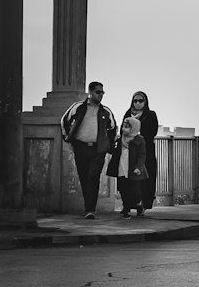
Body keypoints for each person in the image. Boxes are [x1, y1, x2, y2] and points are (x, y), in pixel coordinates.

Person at [61, 80, 118, 219]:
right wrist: (68, 138)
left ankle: (90, 209)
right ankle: (88, 207)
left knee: (93, 177)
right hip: (81, 148)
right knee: (84, 178)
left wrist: (108, 145)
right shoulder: (77, 107)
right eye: (98, 92)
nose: (101, 95)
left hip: (98, 150)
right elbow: (64, 121)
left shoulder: (106, 111)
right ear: (90, 92)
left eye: (102, 92)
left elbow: (113, 128)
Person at [107, 114, 149, 216]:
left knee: (134, 190)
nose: (124, 129)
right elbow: (113, 151)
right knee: (122, 188)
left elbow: (142, 155)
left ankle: (138, 203)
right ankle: (126, 207)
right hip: (121, 167)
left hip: (133, 169)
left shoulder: (139, 140)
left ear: (134, 128)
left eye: (127, 127)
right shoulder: (120, 139)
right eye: (123, 126)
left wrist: (139, 167)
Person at [123, 91, 159, 209]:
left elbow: (152, 131)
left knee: (146, 178)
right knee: (130, 178)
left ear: (145, 102)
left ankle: (144, 204)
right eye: (135, 101)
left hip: (146, 151)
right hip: (130, 152)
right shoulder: (128, 114)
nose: (138, 103)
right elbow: (122, 132)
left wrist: (138, 136)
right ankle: (130, 204)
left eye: (141, 101)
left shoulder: (151, 115)